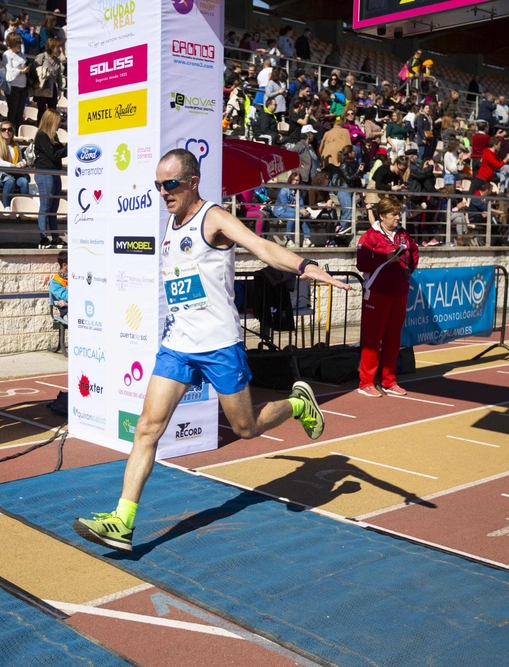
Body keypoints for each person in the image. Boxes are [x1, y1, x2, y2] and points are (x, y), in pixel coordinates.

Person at [73, 149, 347, 552]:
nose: (163, 192)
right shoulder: (170, 220)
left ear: (192, 182)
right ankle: (123, 521)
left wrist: (305, 266)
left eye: (170, 185)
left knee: (246, 429)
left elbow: (261, 247)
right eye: (157, 186)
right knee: (148, 427)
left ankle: (298, 404)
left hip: (219, 345)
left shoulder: (213, 218)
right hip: (178, 345)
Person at [357, 195, 418, 397]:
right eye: (394, 214)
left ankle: (389, 381)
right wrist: (386, 258)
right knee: (373, 339)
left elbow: (414, 254)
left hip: (399, 291)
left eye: (398, 214)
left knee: (393, 338)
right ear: (382, 215)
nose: (398, 218)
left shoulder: (403, 234)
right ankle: (366, 382)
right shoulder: (370, 236)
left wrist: (406, 271)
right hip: (377, 293)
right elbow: (362, 263)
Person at [33, 109, 66, 248]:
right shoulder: (41, 136)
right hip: (45, 173)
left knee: (53, 208)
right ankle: (43, 238)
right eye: (58, 122)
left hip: (54, 173)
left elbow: (59, 153)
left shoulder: (53, 136)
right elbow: (54, 155)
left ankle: (55, 236)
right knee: (45, 207)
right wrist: (68, 148)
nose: (60, 125)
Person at [0, 121, 29, 207]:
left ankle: (24, 205)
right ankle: (6, 206)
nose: (7, 131)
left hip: (14, 173)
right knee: (10, 181)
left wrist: (22, 164)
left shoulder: (16, 145)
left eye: (9, 129)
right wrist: (14, 166)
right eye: (4, 129)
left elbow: (20, 160)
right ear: (0, 132)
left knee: (24, 182)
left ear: (13, 132)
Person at [3, 32, 29, 130]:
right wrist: (21, 71)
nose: (20, 44)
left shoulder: (21, 54)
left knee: (20, 111)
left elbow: (24, 64)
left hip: (23, 86)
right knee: (13, 111)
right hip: (13, 86)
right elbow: (9, 70)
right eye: (18, 42)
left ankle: (18, 131)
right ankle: (10, 131)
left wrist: (26, 67)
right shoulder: (7, 54)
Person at [33, 37, 64, 115]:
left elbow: (58, 76)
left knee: (52, 110)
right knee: (41, 110)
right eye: (57, 47)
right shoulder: (41, 57)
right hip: (42, 86)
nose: (58, 49)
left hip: (52, 87)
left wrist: (59, 89)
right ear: (52, 47)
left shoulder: (57, 61)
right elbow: (34, 70)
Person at [50, 249, 68, 317]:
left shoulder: (75, 277)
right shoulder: (55, 283)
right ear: (64, 265)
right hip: (68, 312)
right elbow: (69, 298)